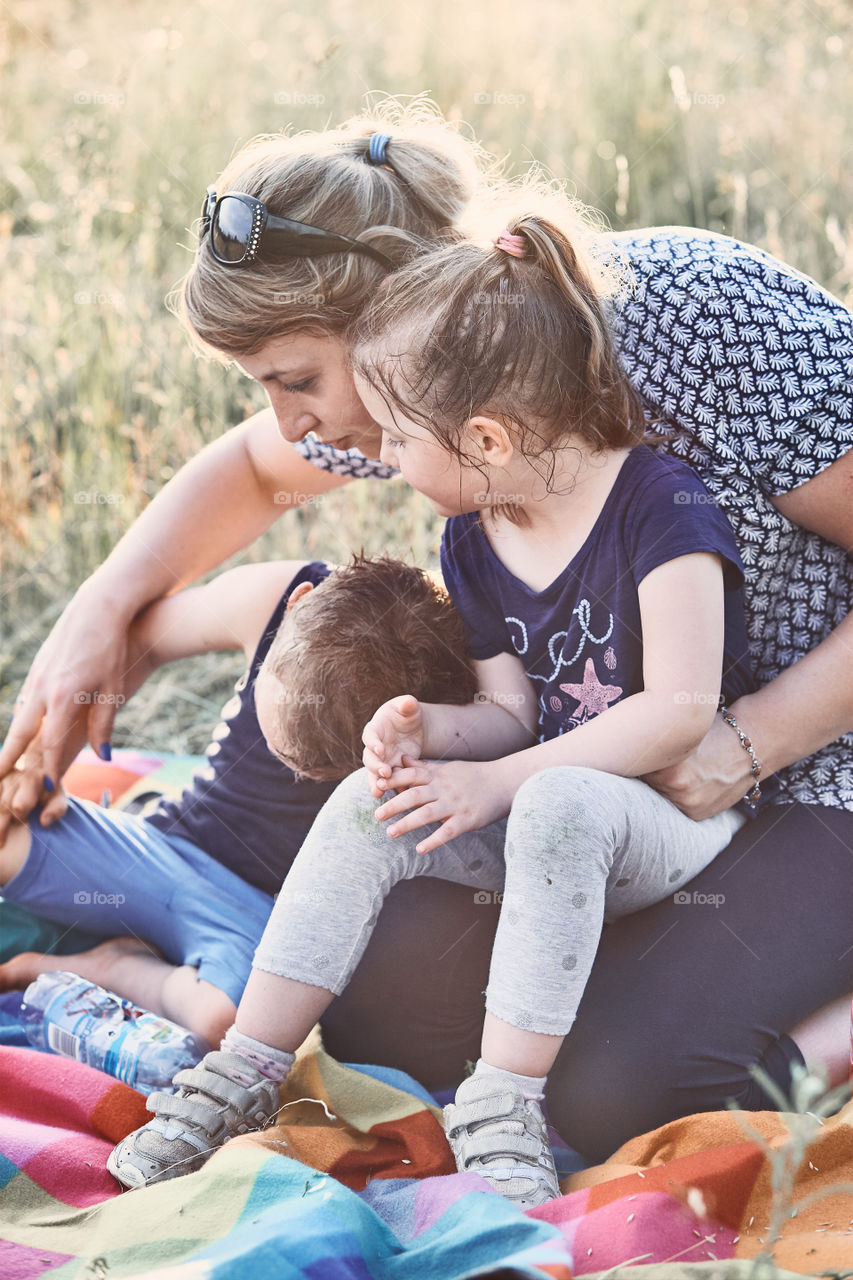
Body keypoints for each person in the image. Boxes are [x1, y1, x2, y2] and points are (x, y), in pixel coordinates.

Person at [2, 100, 851, 1163]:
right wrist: (103, 609)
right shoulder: (432, 407)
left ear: (396, 314)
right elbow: (258, 473)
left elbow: (700, 725)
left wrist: (752, 737)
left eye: (296, 381)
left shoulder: (678, 316)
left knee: (622, 1093)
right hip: (604, 785)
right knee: (373, 996)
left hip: (815, 763)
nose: (290, 423)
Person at [108, 215, 763, 1204]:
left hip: (671, 821)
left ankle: (504, 1105)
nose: (387, 457)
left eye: (400, 436)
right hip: (549, 811)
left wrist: (499, 778)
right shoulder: (474, 534)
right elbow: (507, 708)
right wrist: (427, 734)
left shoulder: (660, 509)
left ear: (488, 437)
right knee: (377, 800)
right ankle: (244, 1068)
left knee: (560, 802)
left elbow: (679, 710)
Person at [0, 555, 476, 1048]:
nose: (291, 766)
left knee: (235, 1024)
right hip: (166, 849)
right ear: (298, 606)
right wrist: (43, 760)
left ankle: (112, 967)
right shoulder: (273, 596)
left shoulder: (440, 700)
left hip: (260, 914)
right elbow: (137, 639)